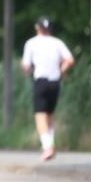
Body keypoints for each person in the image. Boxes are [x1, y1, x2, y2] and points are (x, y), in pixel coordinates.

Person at [20, 16, 74, 162]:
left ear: (37, 27)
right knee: (49, 115)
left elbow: (26, 65)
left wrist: (28, 70)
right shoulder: (57, 43)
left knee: (40, 115)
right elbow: (69, 59)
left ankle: (47, 147)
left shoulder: (31, 43)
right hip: (55, 82)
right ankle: (51, 144)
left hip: (41, 81)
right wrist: (61, 71)